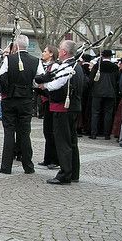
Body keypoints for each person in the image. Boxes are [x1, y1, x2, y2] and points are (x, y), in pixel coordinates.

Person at [36, 40, 85, 185]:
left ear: (64, 52)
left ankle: (65, 174)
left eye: (60, 49)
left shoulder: (68, 66)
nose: (59, 50)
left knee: (63, 142)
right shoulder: (75, 66)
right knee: (71, 141)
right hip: (72, 107)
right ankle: (73, 172)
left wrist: (43, 85)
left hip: (63, 108)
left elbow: (56, 84)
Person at [0, 34, 43, 174]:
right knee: (24, 133)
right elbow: (38, 80)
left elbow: (2, 78)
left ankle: (6, 166)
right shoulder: (36, 61)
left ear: (15, 46)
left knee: (9, 132)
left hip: (10, 99)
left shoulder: (9, 60)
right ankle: (28, 166)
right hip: (26, 100)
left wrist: (5, 92)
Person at [37, 45, 59, 169]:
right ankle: (47, 158)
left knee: (51, 131)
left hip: (51, 100)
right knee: (47, 131)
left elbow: (51, 83)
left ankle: (53, 159)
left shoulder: (54, 66)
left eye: (45, 51)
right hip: (46, 100)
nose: (43, 53)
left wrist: (43, 86)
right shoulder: (47, 66)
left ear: (51, 54)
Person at [89, 49, 118, 140]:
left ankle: (93, 133)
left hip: (97, 92)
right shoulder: (114, 67)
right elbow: (118, 80)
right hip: (110, 93)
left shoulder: (97, 66)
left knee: (95, 113)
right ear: (110, 56)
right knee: (108, 114)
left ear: (102, 56)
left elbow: (91, 80)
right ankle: (107, 135)